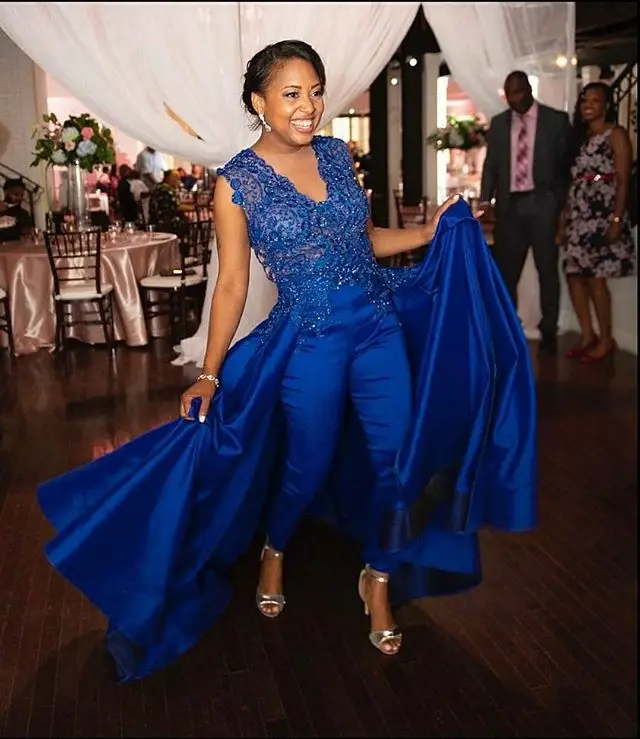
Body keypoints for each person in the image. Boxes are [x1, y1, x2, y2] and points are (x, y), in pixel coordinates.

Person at [37, 40, 537, 684]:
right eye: (292, 94)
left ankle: (379, 577)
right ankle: (274, 548)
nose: (309, 106)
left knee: (399, 462)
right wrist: (209, 372)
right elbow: (232, 285)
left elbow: (362, 242)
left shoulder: (335, 154)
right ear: (259, 101)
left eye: (316, 92)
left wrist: (426, 231)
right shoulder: (237, 182)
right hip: (309, 342)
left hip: (378, 328)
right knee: (306, 468)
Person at [479, 71, 572, 353]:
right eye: (509, 95)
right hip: (510, 206)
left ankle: (549, 329)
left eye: (519, 92)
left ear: (529, 89)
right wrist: (485, 201)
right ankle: (509, 326)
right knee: (507, 271)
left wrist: (560, 204)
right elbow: (492, 165)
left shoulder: (556, 120)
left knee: (547, 268)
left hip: (543, 203)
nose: (514, 99)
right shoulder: (499, 123)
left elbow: (566, 167)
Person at [557, 82, 635, 363]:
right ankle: (587, 334)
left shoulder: (616, 134)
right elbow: (573, 182)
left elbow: (624, 180)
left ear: (606, 105)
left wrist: (616, 218)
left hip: (602, 214)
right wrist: (563, 220)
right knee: (574, 275)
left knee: (596, 278)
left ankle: (606, 340)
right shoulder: (580, 137)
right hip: (578, 213)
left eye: (595, 100)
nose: (588, 105)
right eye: (585, 100)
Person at [0, 178, 34, 242]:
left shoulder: (23, 213)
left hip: (16, 247)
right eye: (16, 194)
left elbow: (27, 234)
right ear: (6, 193)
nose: (19, 198)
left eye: (22, 195)